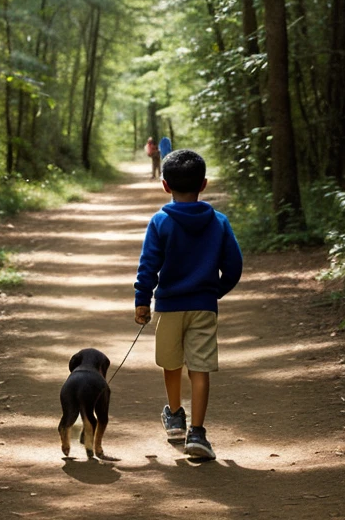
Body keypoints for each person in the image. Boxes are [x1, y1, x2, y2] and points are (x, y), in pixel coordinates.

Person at [134, 149, 243, 460]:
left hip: (169, 307)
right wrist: (214, 291)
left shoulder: (160, 221)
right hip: (203, 306)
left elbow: (148, 265)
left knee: (172, 361)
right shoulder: (219, 222)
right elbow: (233, 266)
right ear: (204, 184)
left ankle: (175, 416)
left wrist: (143, 299)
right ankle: (197, 432)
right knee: (200, 366)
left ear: (165, 185)